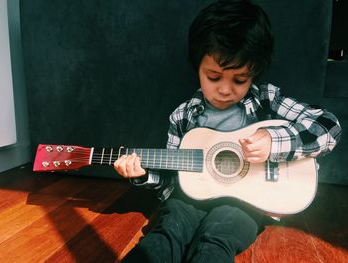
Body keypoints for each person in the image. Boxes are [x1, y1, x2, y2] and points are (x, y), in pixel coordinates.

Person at [114, 0, 341, 262]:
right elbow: (169, 182)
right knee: (167, 232)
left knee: (217, 239)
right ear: (197, 67)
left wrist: (274, 143)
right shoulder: (183, 115)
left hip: (248, 203)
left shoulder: (265, 98)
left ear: (254, 73)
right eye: (213, 77)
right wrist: (143, 175)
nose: (224, 89)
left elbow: (329, 126)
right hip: (190, 200)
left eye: (240, 80)